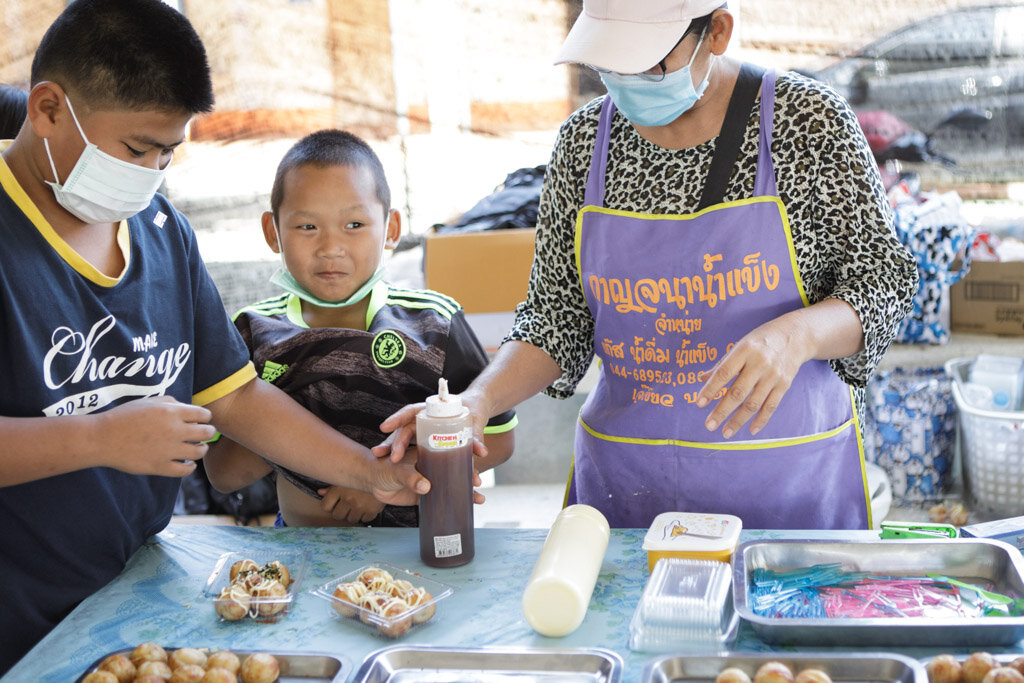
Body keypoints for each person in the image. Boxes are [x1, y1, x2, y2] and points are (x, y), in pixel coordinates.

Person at [0, 0, 427, 672]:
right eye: (137, 149)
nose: (151, 171)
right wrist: (97, 437)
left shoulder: (159, 229)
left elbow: (236, 399)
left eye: (168, 152)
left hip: (129, 597)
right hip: (20, 617)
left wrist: (368, 469)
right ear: (48, 109)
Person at [381, 0, 918, 530]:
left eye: (649, 61)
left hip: (786, 490)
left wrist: (797, 335)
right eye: (610, 62)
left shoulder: (806, 124)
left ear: (716, 32)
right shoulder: (583, 144)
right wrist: (477, 402)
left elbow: (883, 282)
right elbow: (556, 319)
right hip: (629, 492)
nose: (627, 78)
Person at [204, 129, 517, 527]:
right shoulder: (253, 333)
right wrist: (283, 407)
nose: (330, 247)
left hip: (422, 549)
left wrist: (383, 477)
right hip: (305, 553)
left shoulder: (434, 323)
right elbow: (224, 474)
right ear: (272, 232)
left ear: (390, 229)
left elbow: (499, 439)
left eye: (354, 224)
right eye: (306, 227)